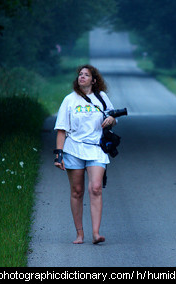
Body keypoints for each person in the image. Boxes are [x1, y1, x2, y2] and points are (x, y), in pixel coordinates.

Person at [54, 64, 116, 244]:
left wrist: (111, 119)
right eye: (80, 74)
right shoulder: (69, 100)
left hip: (96, 148)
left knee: (95, 187)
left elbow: (112, 117)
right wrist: (59, 154)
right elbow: (61, 129)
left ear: (93, 80)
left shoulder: (102, 98)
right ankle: (80, 234)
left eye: (86, 75)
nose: (82, 77)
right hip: (73, 148)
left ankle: (96, 233)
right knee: (77, 191)